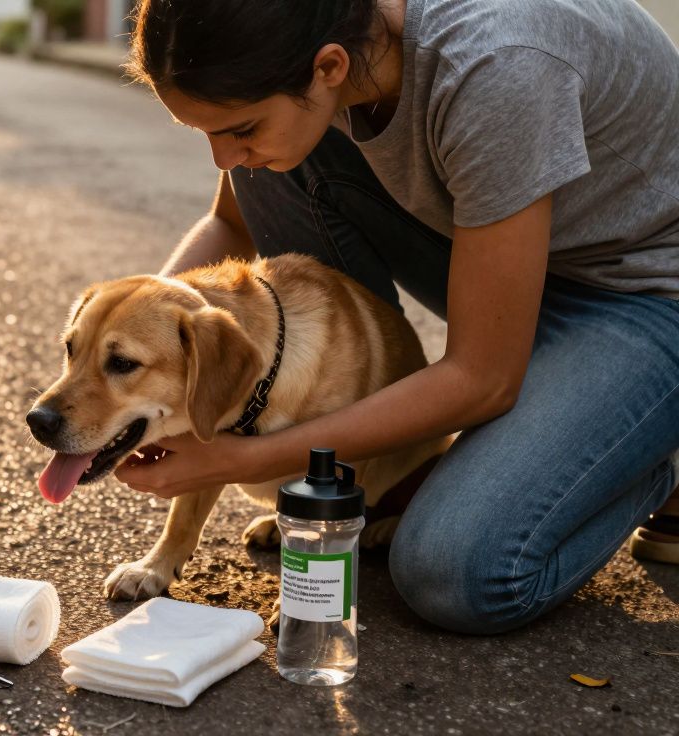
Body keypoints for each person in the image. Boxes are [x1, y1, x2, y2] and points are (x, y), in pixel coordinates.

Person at [112, 0, 679, 634]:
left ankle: (644, 452)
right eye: (205, 134)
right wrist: (137, 332)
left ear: (329, 66)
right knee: (273, 163)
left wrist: (244, 459)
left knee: (455, 573)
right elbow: (229, 223)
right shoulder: (326, 36)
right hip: (516, 256)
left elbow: (484, 378)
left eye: (239, 127)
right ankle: (393, 453)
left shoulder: (496, 68)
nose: (222, 157)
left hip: (645, 293)